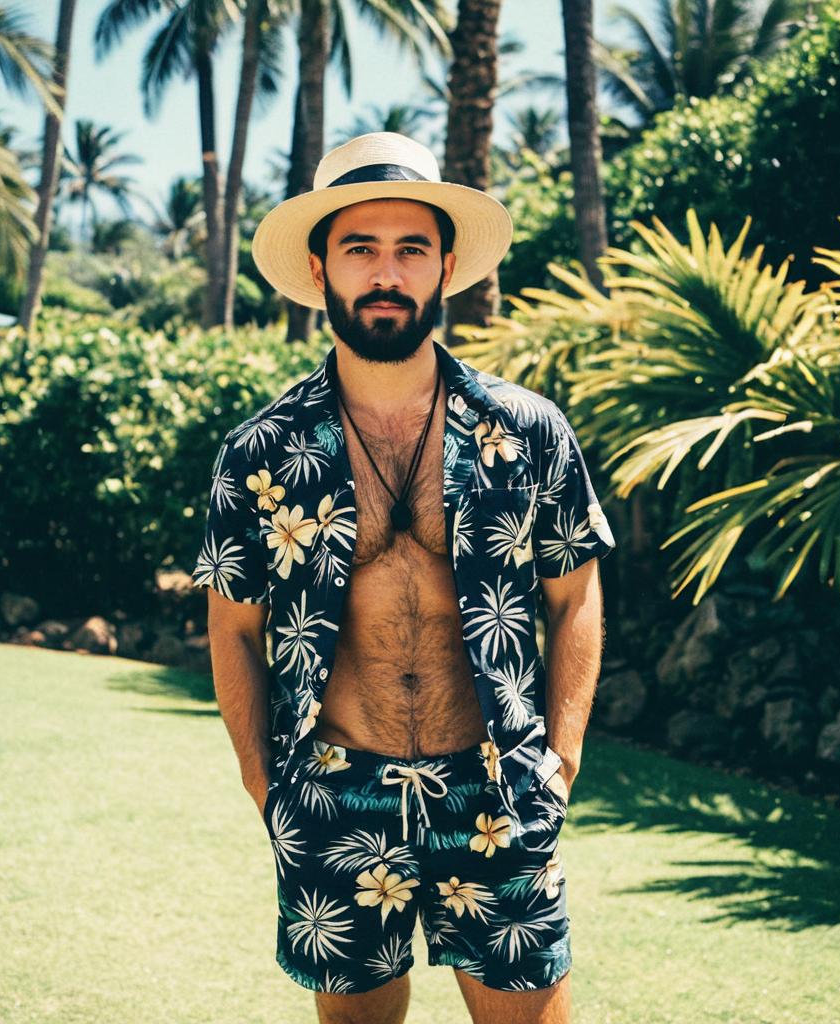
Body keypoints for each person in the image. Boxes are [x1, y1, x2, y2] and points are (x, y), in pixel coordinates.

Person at [191, 132, 615, 1024]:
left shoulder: (527, 431)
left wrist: (561, 759)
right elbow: (232, 625)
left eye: (411, 249)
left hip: (498, 784)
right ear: (320, 269)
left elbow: (575, 596)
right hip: (335, 789)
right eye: (361, 249)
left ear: (445, 266)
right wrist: (262, 780)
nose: (387, 272)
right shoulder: (259, 453)